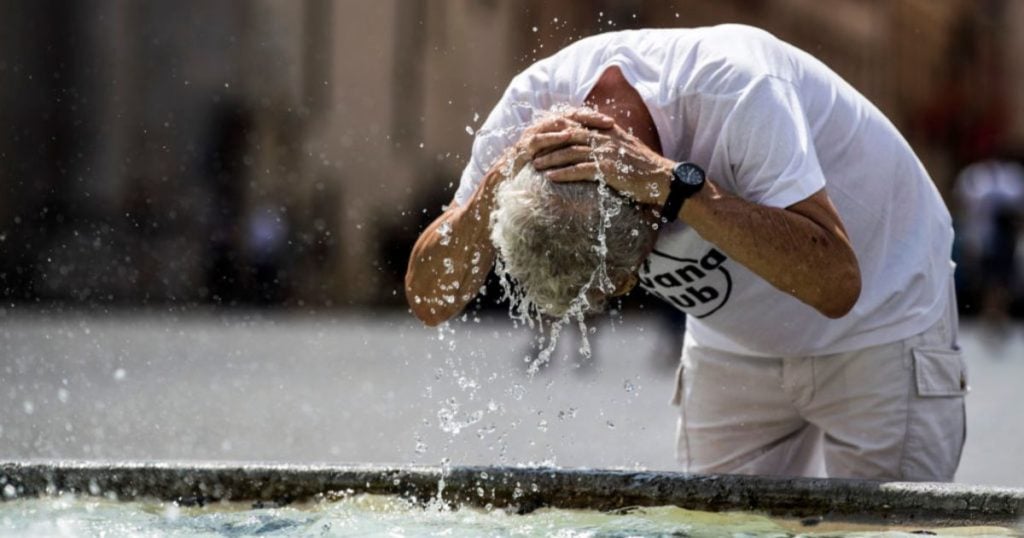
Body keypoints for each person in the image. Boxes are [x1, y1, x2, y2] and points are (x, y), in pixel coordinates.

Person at [405, 24, 966, 481]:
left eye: (620, 283)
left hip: (883, 316)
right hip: (733, 340)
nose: (626, 294)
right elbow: (430, 300)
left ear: (652, 219)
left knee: (889, 529)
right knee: (711, 526)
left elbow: (838, 284)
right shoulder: (528, 112)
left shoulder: (737, 88)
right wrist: (492, 186)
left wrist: (678, 186)